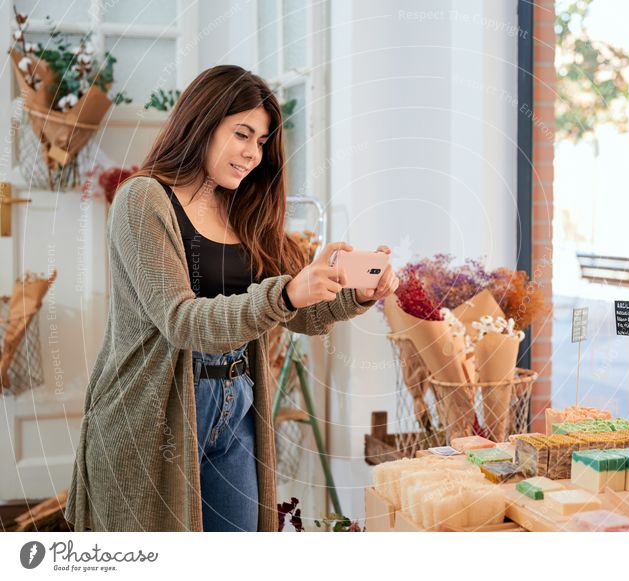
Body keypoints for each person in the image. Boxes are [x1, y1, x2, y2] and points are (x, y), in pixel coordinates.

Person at [64, 65, 399, 532]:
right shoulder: (143, 201)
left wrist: (353, 294)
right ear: (201, 121)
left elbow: (294, 309)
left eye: (261, 142)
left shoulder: (241, 207)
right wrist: (285, 292)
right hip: (153, 416)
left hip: (237, 402)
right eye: (242, 134)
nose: (253, 154)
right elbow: (181, 320)